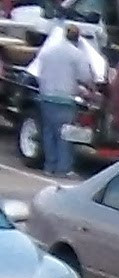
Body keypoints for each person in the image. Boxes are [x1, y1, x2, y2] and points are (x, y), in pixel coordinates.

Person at [28, 21, 100, 177]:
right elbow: (85, 77)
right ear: (78, 38)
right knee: (65, 135)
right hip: (65, 100)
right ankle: (64, 168)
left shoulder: (48, 52)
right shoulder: (77, 54)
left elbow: (39, 72)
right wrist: (92, 90)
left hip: (46, 97)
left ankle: (49, 166)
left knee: (49, 133)